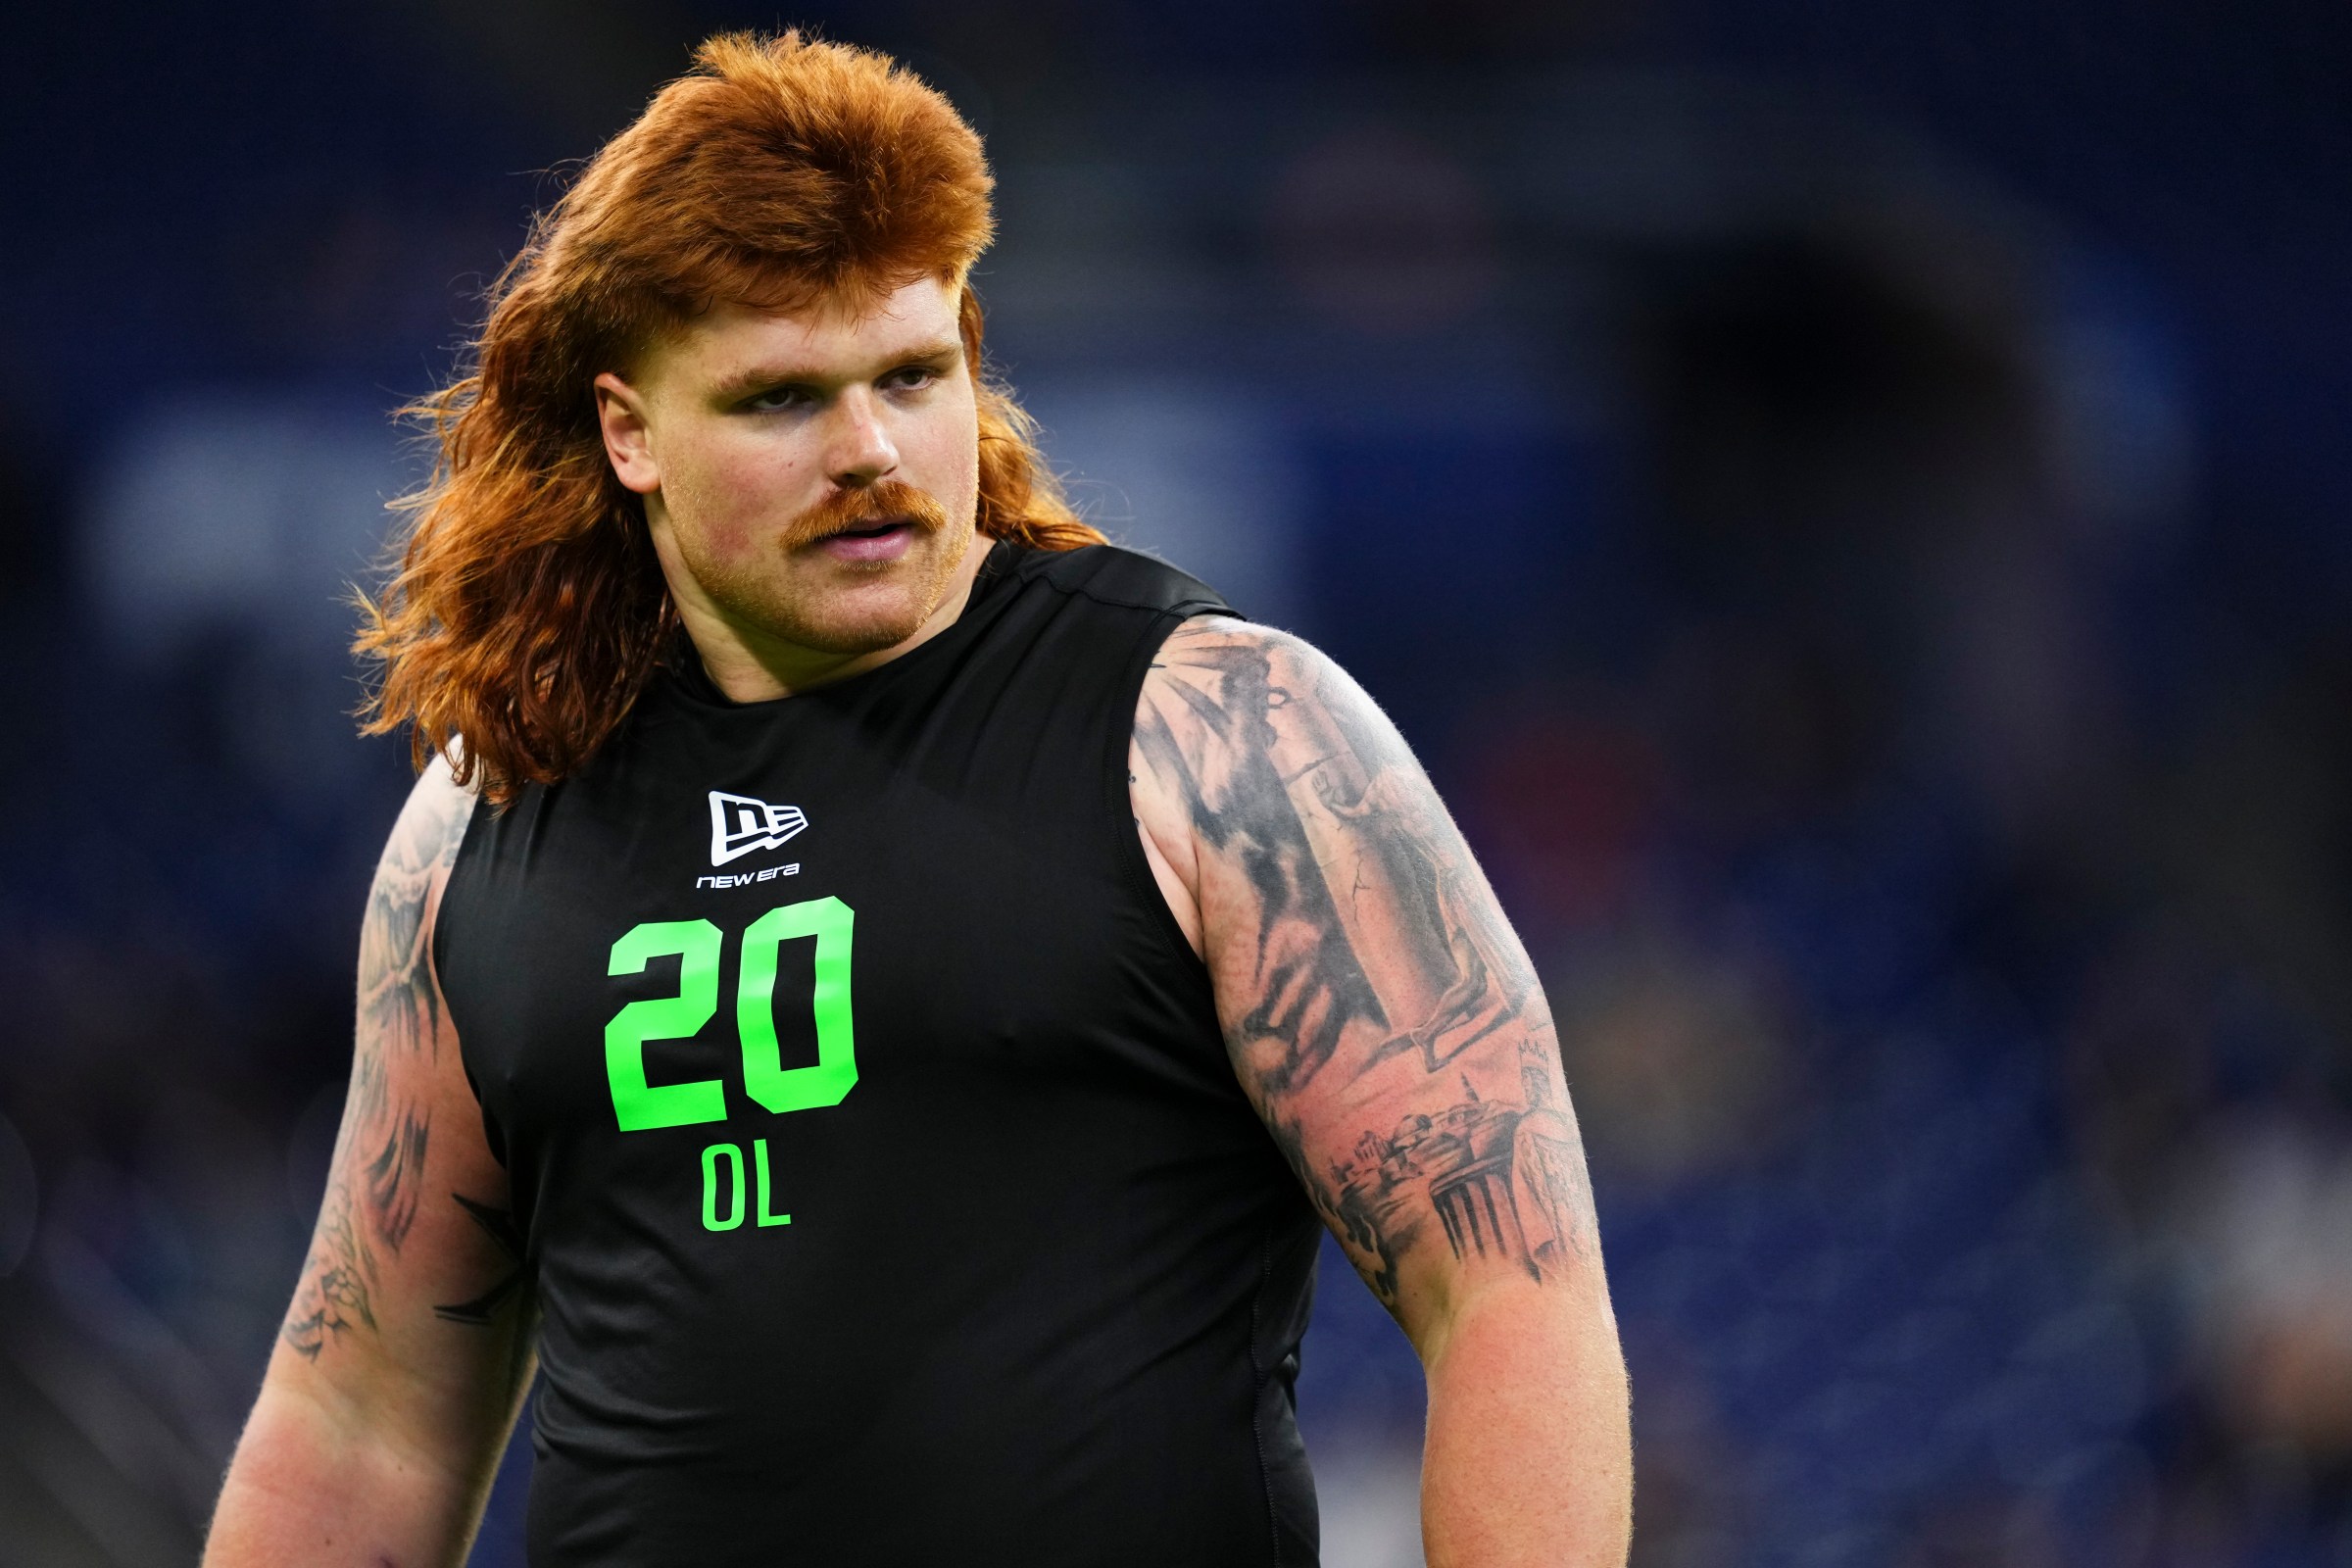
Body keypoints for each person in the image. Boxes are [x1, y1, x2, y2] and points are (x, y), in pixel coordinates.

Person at [203, 31, 1630, 1568]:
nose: (870, 452)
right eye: (780, 400)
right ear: (629, 432)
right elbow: (361, 1414)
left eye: (911, 373)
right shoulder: (489, 823)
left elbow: (1511, 1292)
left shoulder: (1216, 734)